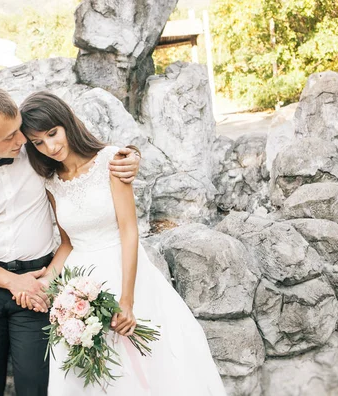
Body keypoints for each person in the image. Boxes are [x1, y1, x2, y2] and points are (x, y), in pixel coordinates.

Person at [0, 86, 141, 396]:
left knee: (39, 384)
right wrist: (15, 283)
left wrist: (132, 156)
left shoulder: (37, 152)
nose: (21, 140)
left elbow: (85, 157)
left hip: (40, 283)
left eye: (19, 130)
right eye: (9, 137)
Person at [18, 91, 227, 396]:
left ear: (66, 123)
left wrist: (127, 300)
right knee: (99, 373)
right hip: (80, 283)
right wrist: (46, 280)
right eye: (38, 142)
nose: (50, 146)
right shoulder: (50, 181)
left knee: (154, 365)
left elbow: (129, 232)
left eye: (53, 133)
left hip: (126, 270)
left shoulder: (112, 161)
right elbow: (67, 243)